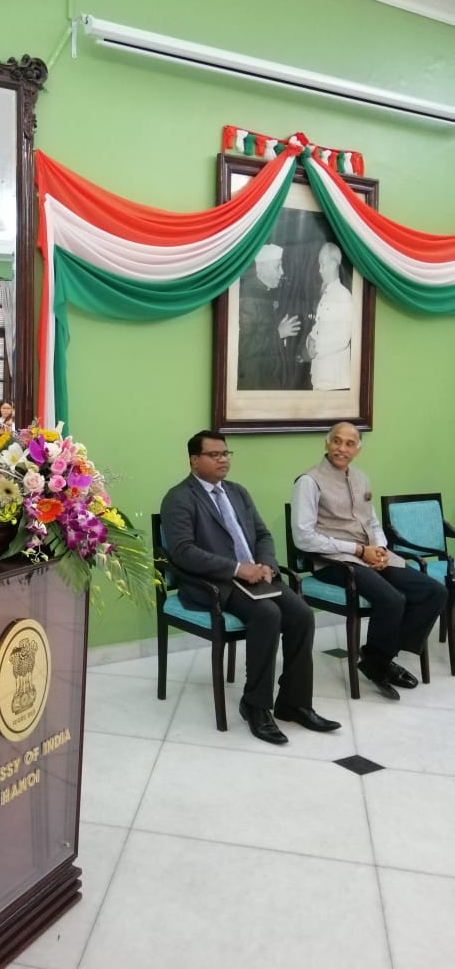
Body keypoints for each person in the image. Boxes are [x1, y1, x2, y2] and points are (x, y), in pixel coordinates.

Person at [161, 430, 339, 744]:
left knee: (301, 614)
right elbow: (183, 552)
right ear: (194, 460)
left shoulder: (238, 492)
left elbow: (263, 535)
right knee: (267, 615)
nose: (223, 460)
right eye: (214, 455)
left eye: (225, 453)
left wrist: (267, 564)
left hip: (256, 578)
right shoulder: (179, 498)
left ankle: (294, 702)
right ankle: (255, 705)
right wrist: (237, 569)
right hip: (215, 584)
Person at [291, 421, 447, 699]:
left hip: (370, 555)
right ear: (327, 443)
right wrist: (358, 550)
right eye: (337, 441)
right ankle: (379, 662)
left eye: (349, 443)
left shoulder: (361, 478)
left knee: (434, 591)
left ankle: (379, 658)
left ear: (358, 450)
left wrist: (381, 549)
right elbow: (303, 537)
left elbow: (372, 522)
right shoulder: (308, 481)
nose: (342, 448)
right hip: (334, 561)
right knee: (393, 599)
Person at [237, 243, 302, 390]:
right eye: (277, 266)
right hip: (254, 383)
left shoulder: (264, 292)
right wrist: (279, 333)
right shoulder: (249, 297)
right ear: (261, 268)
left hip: (265, 380)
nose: (282, 272)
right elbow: (244, 345)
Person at [306, 242, 352, 391]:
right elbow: (318, 327)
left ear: (333, 265)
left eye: (323, 264)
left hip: (334, 380)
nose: (320, 270)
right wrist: (309, 340)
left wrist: (317, 347)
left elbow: (343, 338)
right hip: (320, 376)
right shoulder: (326, 294)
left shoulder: (343, 295)